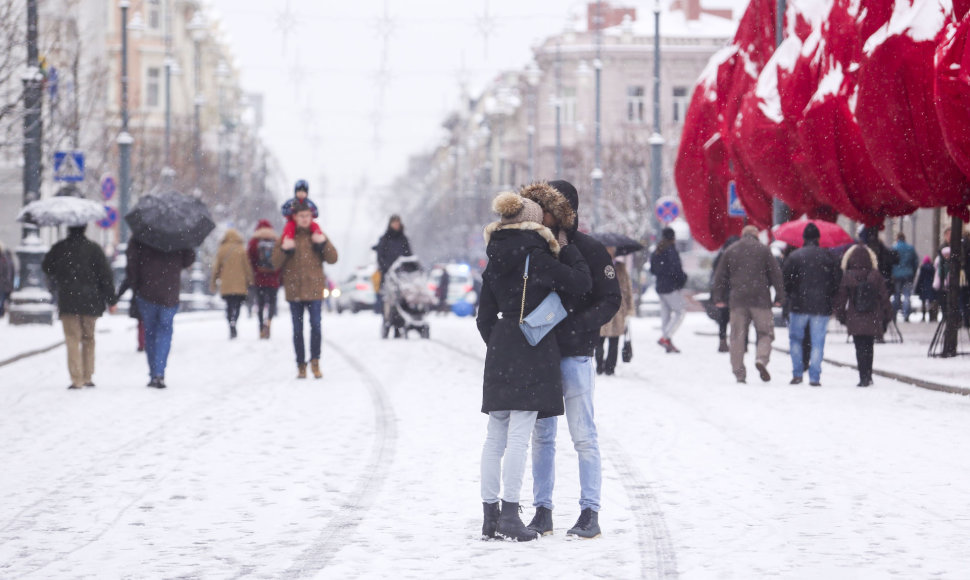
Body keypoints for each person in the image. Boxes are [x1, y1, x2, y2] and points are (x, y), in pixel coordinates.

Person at [476, 191, 592, 542]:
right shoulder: (539, 258)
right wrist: (570, 249)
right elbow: (583, 285)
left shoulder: (493, 260)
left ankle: (489, 515)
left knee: (495, 437)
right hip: (532, 349)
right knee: (519, 436)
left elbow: (483, 319)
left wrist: (501, 342)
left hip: (500, 348)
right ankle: (511, 514)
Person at [520, 180, 621, 540]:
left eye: (548, 206)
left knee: (583, 435)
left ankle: (589, 512)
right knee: (542, 435)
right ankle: (542, 511)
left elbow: (611, 299)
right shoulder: (535, 246)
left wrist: (579, 325)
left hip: (576, 354)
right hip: (542, 354)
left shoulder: (590, 249)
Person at [41, 225, 117, 389]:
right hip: (91, 301)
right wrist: (111, 299)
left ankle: (76, 378)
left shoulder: (60, 248)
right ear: (84, 229)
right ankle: (88, 375)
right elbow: (105, 275)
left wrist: (61, 272)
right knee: (89, 338)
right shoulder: (94, 249)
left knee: (72, 339)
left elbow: (46, 267)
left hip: (68, 300)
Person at [272, 202, 338, 379]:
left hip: (315, 290)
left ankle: (315, 361)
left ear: (312, 217)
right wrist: (284, 249)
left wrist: (323, 244)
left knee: (316, 327)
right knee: (297, 330)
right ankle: (301, 365)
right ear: (294, 217)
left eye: (307, 216)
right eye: (301, 216)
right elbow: (275, 263)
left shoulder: (317, 234)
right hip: (294, 292)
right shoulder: (287, 236)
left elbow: (333, 258)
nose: (304, 219)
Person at [712, 225, 785, 384]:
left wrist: (718, 297)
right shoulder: (764, 250)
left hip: (738, 300)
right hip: (761, 300)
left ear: (742, 235)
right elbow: (776, 274)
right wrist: (780, 296)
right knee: (765, 333)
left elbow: (720, 276)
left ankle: (739, 373)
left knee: (737, 337)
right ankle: (761, 358)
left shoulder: (731, 250)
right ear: (756, 236)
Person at [126, 239, 195, 388]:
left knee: (150, 332)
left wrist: (136, 284)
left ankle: (153, 373)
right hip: (169, 293)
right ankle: (159, 372)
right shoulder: (178, 235)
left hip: (147, 292)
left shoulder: (141, 236)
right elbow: (188, 259)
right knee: (165, 331)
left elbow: (131, 264)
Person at [781, 223, 841, 387]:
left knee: (795, 340)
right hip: (821, 305)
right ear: (818, 238)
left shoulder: (794, 257)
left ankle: (797, 373)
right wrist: (829, 297)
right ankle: (814, 376)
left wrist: (791, 296)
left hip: (798, 305)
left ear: (803, 238)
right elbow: (836, 281)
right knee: (817, 342)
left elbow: (786, 281)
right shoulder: (828, 257)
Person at [834, 243, 893, 387]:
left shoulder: (848, 276)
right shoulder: (875, 275)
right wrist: (887, 316)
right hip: (872, 317)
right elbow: (884, 297)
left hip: (855, 317)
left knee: (859, 348)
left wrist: (842, 317)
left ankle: (863, 377)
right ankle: (868, 374)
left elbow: (841, 299)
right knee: (869, 347)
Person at [210, 228, 254, 339]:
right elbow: (247, 267)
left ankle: (230, 323)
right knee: (238, 305)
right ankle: (235, 321)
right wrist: (250, 280)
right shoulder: (241, 249)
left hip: (227, 284)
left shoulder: (222, 249)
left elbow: (216, 268)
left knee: (229, 305)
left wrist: (213, 283)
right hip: (240, 284)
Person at [596, 247, 634, 375]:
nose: (610, 251)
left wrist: (629, 307)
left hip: (618, 307)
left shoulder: (621, 267)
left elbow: (628, 288)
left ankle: (610, 367)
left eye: (612, 248)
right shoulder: (597, 265)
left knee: (614, 340)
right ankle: (599, 365)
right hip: (601, 306)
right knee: (599, 339)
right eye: (608, 248)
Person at [650, 227, 688, 353]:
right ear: (673, 237)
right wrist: (682, 280)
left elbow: (653, 270)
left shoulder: (657, 251)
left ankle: (667, 342)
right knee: (680, 311)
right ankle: (665, 338)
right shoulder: (671, 250)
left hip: (660, 287)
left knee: (665, 315)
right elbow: (676, 269)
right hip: (670, 287)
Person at [248, 219, 283, 339]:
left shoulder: (254, 241)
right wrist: (277, 274)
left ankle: (260, 327)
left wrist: (256, 272)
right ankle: (268, 321)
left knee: (261, 304)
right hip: (273, 279)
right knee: (272, 303)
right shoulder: (276, 240)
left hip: (259, 279)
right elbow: (280, 260)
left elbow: (250, 259)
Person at [375, 214, 413, 325]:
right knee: (389, 299)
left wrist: (408, 267)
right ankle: (388, 319)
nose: (396, 225)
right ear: (390, 224)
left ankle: (402, 319)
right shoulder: (385, 239)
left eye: (398, 222)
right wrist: (387, 268)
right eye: (394, 222)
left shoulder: (404, 239)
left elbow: (409, 255)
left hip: (402, 275)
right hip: (388, 274)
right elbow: (380, 257)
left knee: (403, 297)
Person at [710, 235, 740, 352]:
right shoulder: (738, 256)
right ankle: (738, 343)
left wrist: (717, 296)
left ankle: (723, 341)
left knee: (724, 319)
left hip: (723, 292)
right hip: (734, 292)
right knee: (738, 319)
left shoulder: (721, 256)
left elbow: (716, 275)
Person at [890, 232, 919, 322]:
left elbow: (890, 262)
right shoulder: (910, 248)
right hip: (908, 274)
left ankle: (894, 314)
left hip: (896, 274)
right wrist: (912, 271)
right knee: (907, 295)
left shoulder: (894, 248)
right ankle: (906, 314)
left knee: (896, 295)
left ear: (897, 238)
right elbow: (915, 262)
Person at [914, 256, 937, 322]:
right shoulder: (932, 268)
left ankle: (923, 316)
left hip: (923, 287)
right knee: (930, 302)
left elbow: (920, 279)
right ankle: (931, 316)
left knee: (923, 302)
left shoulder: (922, 268)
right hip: (930, 287)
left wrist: (917, 288)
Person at [0, 241, 15, 317]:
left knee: (2, 299)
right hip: (4, 283)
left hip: (3, 283)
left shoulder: (4, 259)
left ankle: (1, 312)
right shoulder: (5, 259)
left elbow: (9, 272)